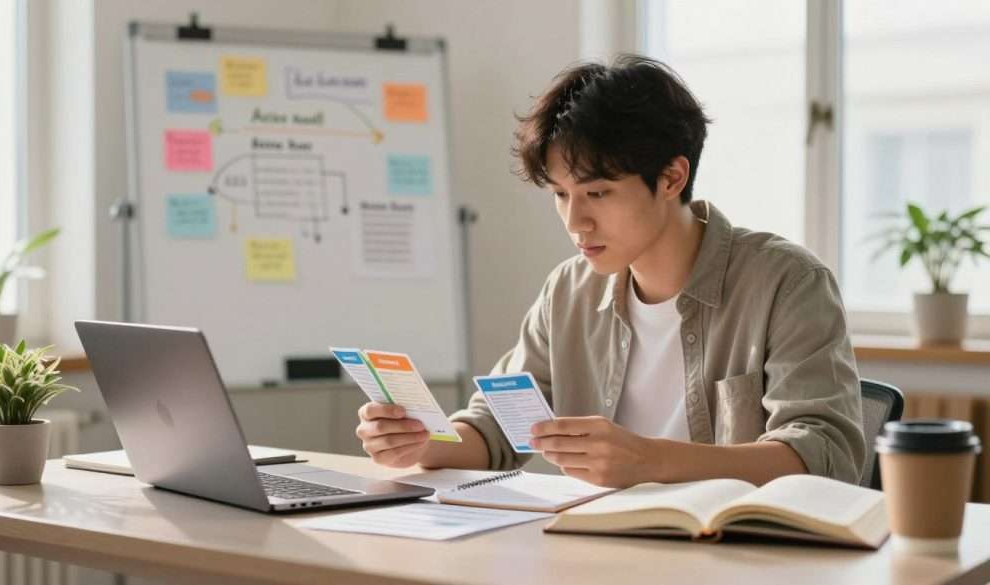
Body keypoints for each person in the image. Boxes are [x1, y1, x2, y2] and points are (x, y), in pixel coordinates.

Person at [355, 54, 865, 488]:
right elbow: (499, 428)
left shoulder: (787, 283)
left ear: (671, 177)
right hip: (597, 552)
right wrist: (421, 442)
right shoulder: (568, 292)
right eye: (560, 194)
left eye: (597, 193)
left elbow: (826, 456)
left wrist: (649, 461)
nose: (575, 221)